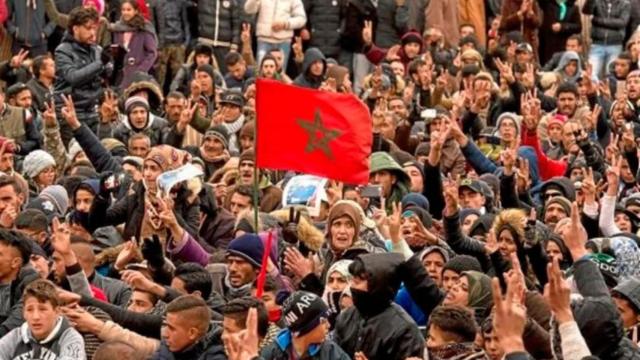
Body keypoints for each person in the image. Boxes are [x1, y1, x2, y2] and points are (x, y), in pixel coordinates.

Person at [53, 6, 109, 145]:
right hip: (70, 112)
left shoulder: (97, 50)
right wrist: (100, 64)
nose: (92, 33)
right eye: (88, 28)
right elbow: (73, 78)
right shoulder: (63, 51)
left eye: (94, 28)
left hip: (92, 111)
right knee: (75, 158)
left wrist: (116, 65)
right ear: (75, 28)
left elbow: (111, 81)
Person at [0, 279, 86, 359]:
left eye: (42, 309)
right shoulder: (15, 337)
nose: (35, 317)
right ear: (23, 313)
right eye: (29, 310)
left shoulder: (71, 339)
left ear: (57, 311)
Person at [260, 291, 350, 360]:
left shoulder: (331, 352)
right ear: (305, 328)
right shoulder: (271, 354)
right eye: (323, 321)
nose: (329, 325)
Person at [111, 0, 158, 89]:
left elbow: (152, 53)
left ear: (136, 11)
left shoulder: (144, 27)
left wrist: (141, 71)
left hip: (139, 77)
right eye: (123, 10)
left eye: (129, 10)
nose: (125, 13)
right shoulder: (117, 29)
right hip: (121, 76)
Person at [244, 0, 306, 65]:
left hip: (284, 42)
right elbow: (248, 10)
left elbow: (302, 18)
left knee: (280, 73)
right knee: (261, 72)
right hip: (264, 40)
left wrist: (285, 24)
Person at [583, 0, 631, 80]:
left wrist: (598, 21)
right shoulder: (597, 1)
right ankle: (593, 92)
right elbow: (586, 11)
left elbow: (622, 22)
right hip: (597, 43)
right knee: (591, 74)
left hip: (615, 44)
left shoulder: (625, 3)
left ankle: (610, 92)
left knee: (611, 75)